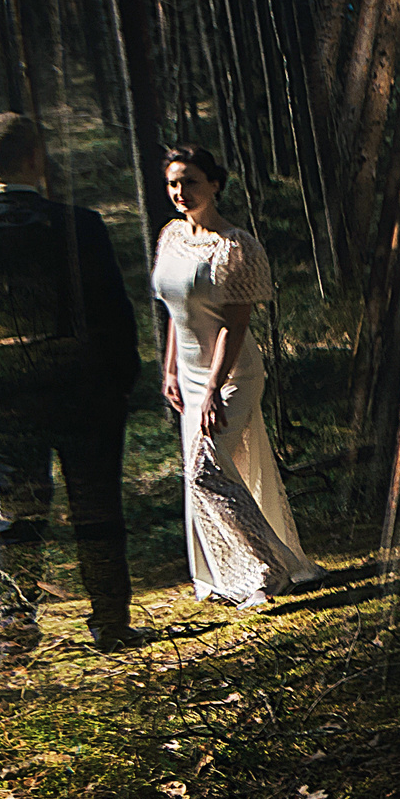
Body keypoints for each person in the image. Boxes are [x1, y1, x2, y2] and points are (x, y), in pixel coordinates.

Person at [0, 113, 146, 654]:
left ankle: (14, 630)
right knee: (98, 509)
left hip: (6, 400)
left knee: (16, 515)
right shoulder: (79, 225)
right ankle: (110, 624)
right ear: (36, 157)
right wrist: (122, 384)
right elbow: (115, 316)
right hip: (86, 397)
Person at [152, 145, 319, 607]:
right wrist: (169, 370)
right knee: (215, 470)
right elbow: (174, 311)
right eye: (173, 183)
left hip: (233, 377)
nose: (180, 191)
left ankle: (269, 567)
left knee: (204, 470)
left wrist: (211, 390)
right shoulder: (169, 237)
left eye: (190, 181)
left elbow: (235, 322)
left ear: (215, 184)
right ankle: (223, 572)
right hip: (186, 378)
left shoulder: (236, 245)